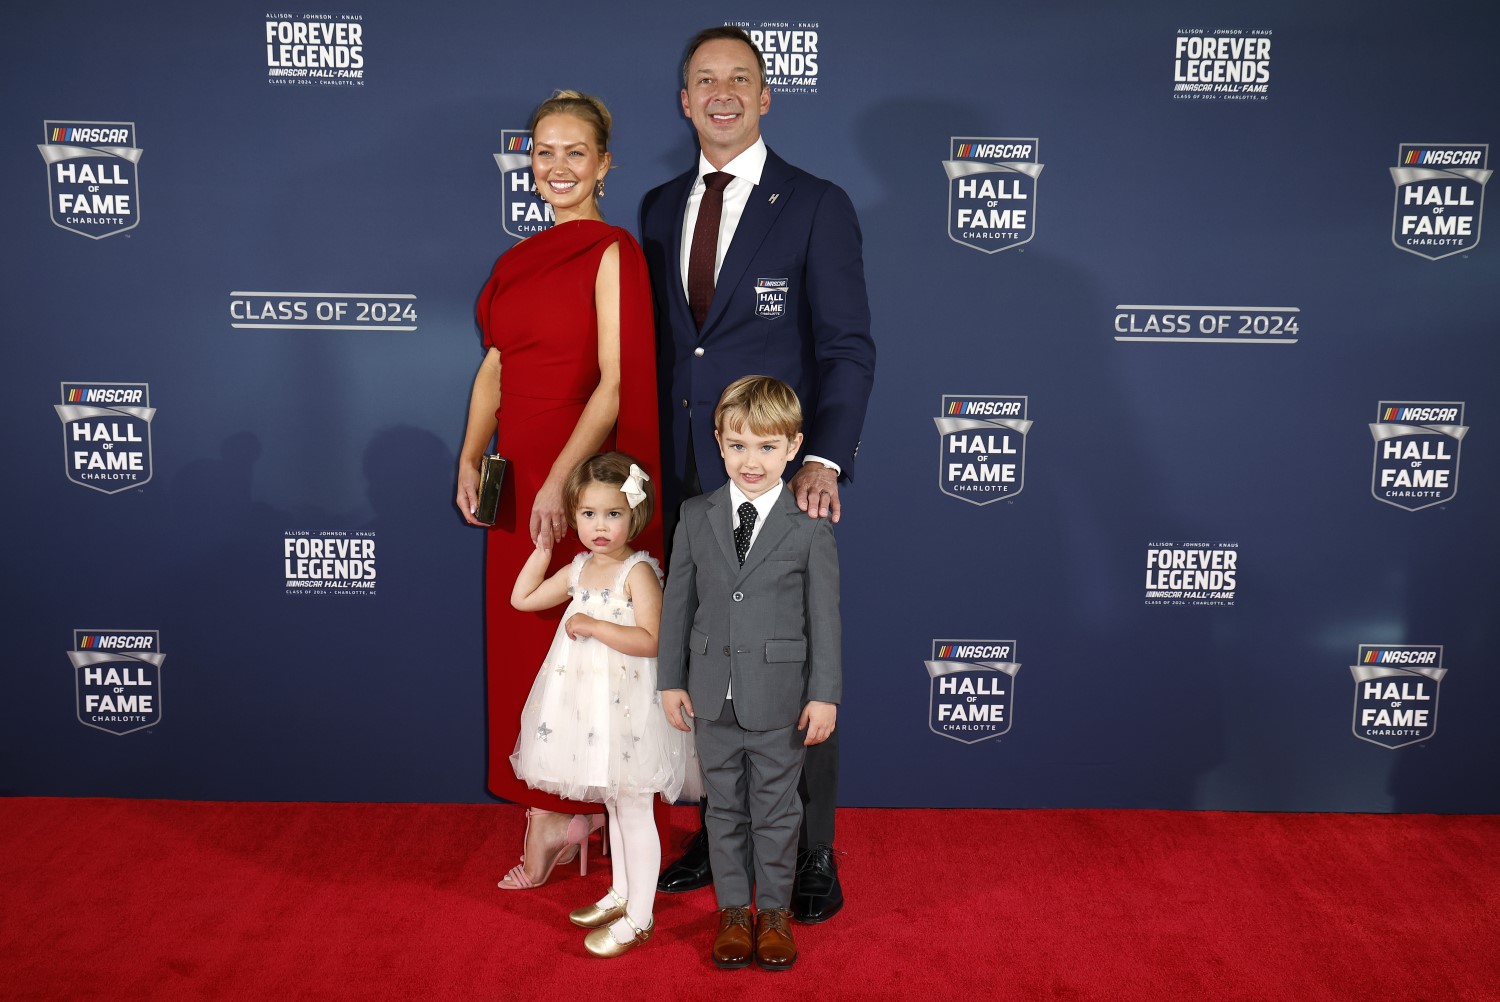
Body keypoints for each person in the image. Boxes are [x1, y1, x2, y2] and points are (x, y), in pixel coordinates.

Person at [640, 25, 874, 922]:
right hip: (692, 476)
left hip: (783, 474)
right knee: (710, 653)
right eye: (706, 81)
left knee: (791, 658)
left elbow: (848, 347)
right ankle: (720, 831)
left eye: (741, 78)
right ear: (685, 100)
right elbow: (674, 348)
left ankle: (811, 849)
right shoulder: (661, 206)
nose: (723, 93)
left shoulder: (815, 202)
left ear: (768, 96)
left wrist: (824, 456)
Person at [457, 91, 663, 890]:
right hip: (520, 468)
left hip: (579, 478)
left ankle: (578, 809)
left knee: (579, 645)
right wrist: (473, 455)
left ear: (604, 164)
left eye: (576, 152)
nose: (557, 167)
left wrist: (558, 479)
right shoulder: (513, 261)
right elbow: (495, 368)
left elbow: (613, 385)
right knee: (519, 641)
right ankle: (553, 811)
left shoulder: (611, 251)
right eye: (544, 151)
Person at [658, 376, 841, 971]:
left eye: (767, 447)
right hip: (711, 696)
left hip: (780, 700)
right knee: (723, 810)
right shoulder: (695, 514)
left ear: (793, 448)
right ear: (718, 442)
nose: (751, 460)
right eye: (738, 445)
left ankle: (775, 914)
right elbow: (679, 606)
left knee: (777, 809)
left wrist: (824, 696)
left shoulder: (809, 524)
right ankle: (735, 911)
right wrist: (670, 679)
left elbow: (825, 618)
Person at [511, 452, 692, 957]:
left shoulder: (637, 571)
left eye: (613, 513)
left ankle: (640, 916)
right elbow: (522, 599)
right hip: (588, 710)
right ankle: (620, 893)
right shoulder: (577, 569)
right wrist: (543, 550)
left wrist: (594, 626)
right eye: (588, 514)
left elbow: (652, 639)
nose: (599, 526)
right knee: (613, 801)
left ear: (635, 514)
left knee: (634, 807)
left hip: (628, 709)